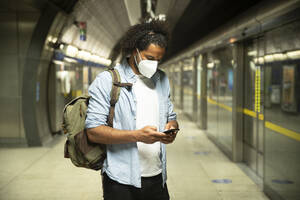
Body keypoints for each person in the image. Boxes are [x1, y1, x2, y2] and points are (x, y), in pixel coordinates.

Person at [85, 20, 179, 200]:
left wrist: (171, 127)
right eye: (149, 58)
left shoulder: (162, 79)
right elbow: (94, 132)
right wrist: (138, 135)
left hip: (157, 176)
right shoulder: (107, 81)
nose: (154, 64)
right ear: (135, 51)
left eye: (159, 60)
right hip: (121, 180)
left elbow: (171, 116)